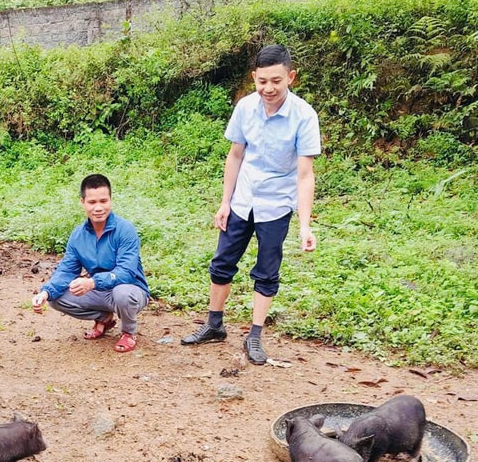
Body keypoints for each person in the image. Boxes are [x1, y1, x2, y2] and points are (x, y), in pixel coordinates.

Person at [180, 44, 320, 365]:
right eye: (262, 82)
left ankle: (254, 335)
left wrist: (304, 224)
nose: (268, 88)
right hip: (242, 200)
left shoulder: (304, 116)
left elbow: (305, 175)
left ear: (291, 78)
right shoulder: (245, 107)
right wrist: (225, 202)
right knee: (221, 263)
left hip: (276, 205)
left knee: (267, 273)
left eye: (276, 81)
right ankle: (214, 324)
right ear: (253, 78)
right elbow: (236, 155)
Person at [30, 174, 150, 353]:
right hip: (99, 291)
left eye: (104, 201)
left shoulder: (125, 230)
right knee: (56, 298)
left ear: (111, 200)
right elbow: (66, 270)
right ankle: (104, 318)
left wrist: (93, 282)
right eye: (92, 202)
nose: (99, 208)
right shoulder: (78, 235)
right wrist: (46, 292)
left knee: (122, 293)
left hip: (130, 289)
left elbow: (126, 272)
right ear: (83, 202)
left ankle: (128, 332)